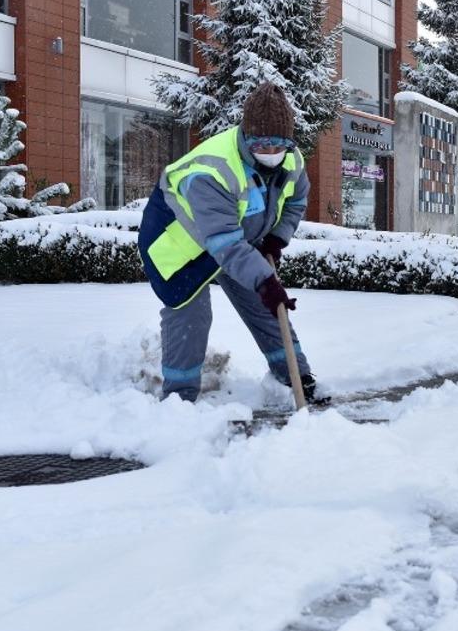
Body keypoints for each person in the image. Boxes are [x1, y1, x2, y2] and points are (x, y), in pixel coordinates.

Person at [138, 82, 323, 404]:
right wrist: (265, 280)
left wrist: (276, 240)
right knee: (191, 317)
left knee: (266, 306)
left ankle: (295, 377)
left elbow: (295, 203)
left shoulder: (292, 161)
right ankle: (179, 401)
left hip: (235, 238)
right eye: (261, 145)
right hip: (179, 245)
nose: (270, 153)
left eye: (278, 145)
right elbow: (223, 242)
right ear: (246, 137)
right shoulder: (212, 169)